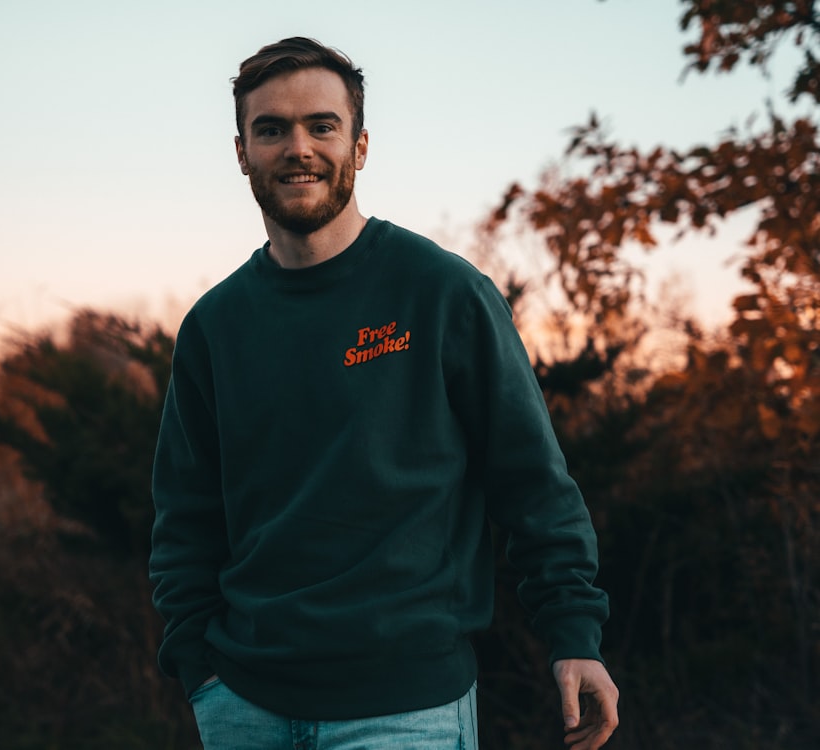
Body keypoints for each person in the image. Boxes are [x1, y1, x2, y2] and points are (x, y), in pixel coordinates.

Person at [149, 36, 619, 750]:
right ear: (242, 152)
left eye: (321, 126)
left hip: (406, 708)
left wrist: (574, 633)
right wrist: (199, 670)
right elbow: (185, 519)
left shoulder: (443, 294)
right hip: (243, 704)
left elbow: (532, 484)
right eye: (271, 129)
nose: (297, 147)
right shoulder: (214, 327)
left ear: (360, 147)